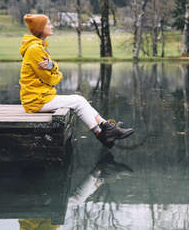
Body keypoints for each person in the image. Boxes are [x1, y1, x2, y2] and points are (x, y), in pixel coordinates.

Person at [19, 14, 133, 147]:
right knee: (78, 101)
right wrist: (57, 73)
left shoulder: (39, 47)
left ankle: (106, 129)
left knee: (80, 100)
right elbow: (51, 80)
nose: (52, 26)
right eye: (48, 24)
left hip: (41, 97)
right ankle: (103, 133)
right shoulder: (35, 50)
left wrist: (52, 66)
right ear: (40, 28)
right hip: (35, 101)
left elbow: (53, 66)